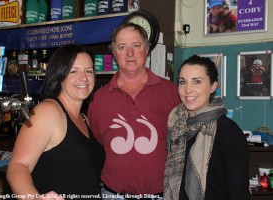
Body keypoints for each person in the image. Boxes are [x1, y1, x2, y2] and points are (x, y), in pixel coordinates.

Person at [88, 22, 180, 199]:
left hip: (160, 196)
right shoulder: (99, 98)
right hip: (112, 195)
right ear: (114, 53)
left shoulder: (170, 92)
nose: (129, 53)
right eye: (122, 47)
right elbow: (96, 147)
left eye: (136, 45)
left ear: (146, 49)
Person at [6, 44, 105, 200]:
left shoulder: (84, 119)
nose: (84, 78)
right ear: (59, 76)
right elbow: (18, 166)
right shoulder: (47, 111)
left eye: (89, 71)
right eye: (74, 71)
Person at [164, 55, 250, 200]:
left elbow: (239, 193)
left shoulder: (229, 133)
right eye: (182, 82)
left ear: (213, 86)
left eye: (197, 82)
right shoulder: (175, 124)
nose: (188, 89)